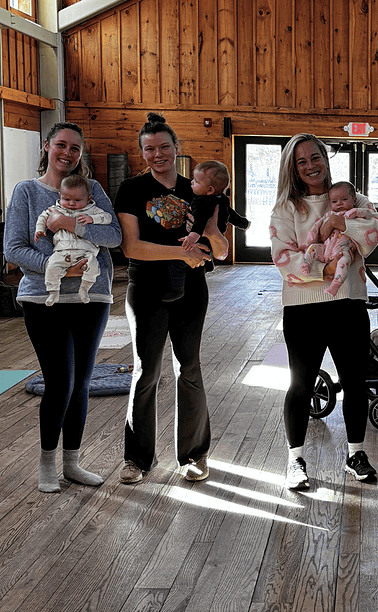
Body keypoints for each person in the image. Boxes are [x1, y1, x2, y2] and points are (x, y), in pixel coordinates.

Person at [4, 121, 122, 492]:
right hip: (44, 298)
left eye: (75, 148)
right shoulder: (27, 192)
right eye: (62, 145)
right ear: (46, 146)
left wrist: (69, 222)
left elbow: (113, 236)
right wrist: (60, 268)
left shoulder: (93, 190)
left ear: (81, 154)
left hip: (92, 298)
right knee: (59, 382)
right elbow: (14, 249)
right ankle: (46, 464)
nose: (68, 153)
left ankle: (72, 463)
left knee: (82, 382)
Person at [114, 113, 227, 485]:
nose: (157, 154)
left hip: (191, 291)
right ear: (142, 152)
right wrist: (180, 254)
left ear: (176, 148)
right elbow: (132, 247)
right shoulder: (131, 189)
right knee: (145, 372)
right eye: (150, 148)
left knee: (188, 368)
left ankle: (195, 454)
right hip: (145, 289)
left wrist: (210, 240)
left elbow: (218, 246)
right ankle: (137, 459)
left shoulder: (197, 188)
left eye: (164, 146)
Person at [270, 135, 378, 490]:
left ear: (325, 158)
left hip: (348, 303)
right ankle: (296, 460)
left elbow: (373, 232)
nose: (310, 165)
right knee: (300, 385)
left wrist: (332, 229)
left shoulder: (351, 196)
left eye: (315, 157)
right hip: (303, 310)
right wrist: (328, 265)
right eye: (302, 160)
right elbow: (283, 260)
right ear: (293, 166)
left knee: (355, 382)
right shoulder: (286, 209)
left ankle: (355, 455)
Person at [170, 159, 250, 301]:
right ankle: (207, 264)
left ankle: (175, 288)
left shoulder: (202, 202)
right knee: (204, 253)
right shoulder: (222, 200)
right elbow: (231, 215)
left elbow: (200, 223)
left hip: (200, 237)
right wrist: (243, 224)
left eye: (196, 181)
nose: (191, 182)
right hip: (210, 239)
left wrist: (192, 237)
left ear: (210, 190)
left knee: (179, 262)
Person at [34, 173, 112, 305]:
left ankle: (84, 289)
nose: (71, 204)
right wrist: (40, 229)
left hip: (86, 252)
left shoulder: (92, 210)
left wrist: (92, 219)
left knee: (93, 266)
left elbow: (107, 217)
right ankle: (53, 293)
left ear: (88, 199)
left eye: (77, 200)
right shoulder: (55, 210)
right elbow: (42, 217)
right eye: (67, 199)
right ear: (60, 196)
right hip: (62, 251)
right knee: (52, 266)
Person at [299, 180, 369, 297]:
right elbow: (318, 224)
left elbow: (368, 215)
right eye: (334, 201)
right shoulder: (329, 215)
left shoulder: (354, 214)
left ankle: (336, 284)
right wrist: (313, 233)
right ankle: (306, 264)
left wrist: (357, 213)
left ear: (354, 200)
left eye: (344, 200)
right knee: (312, 248)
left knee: (345, 261)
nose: (339, 204)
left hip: (342, 251)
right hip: (325, 249)